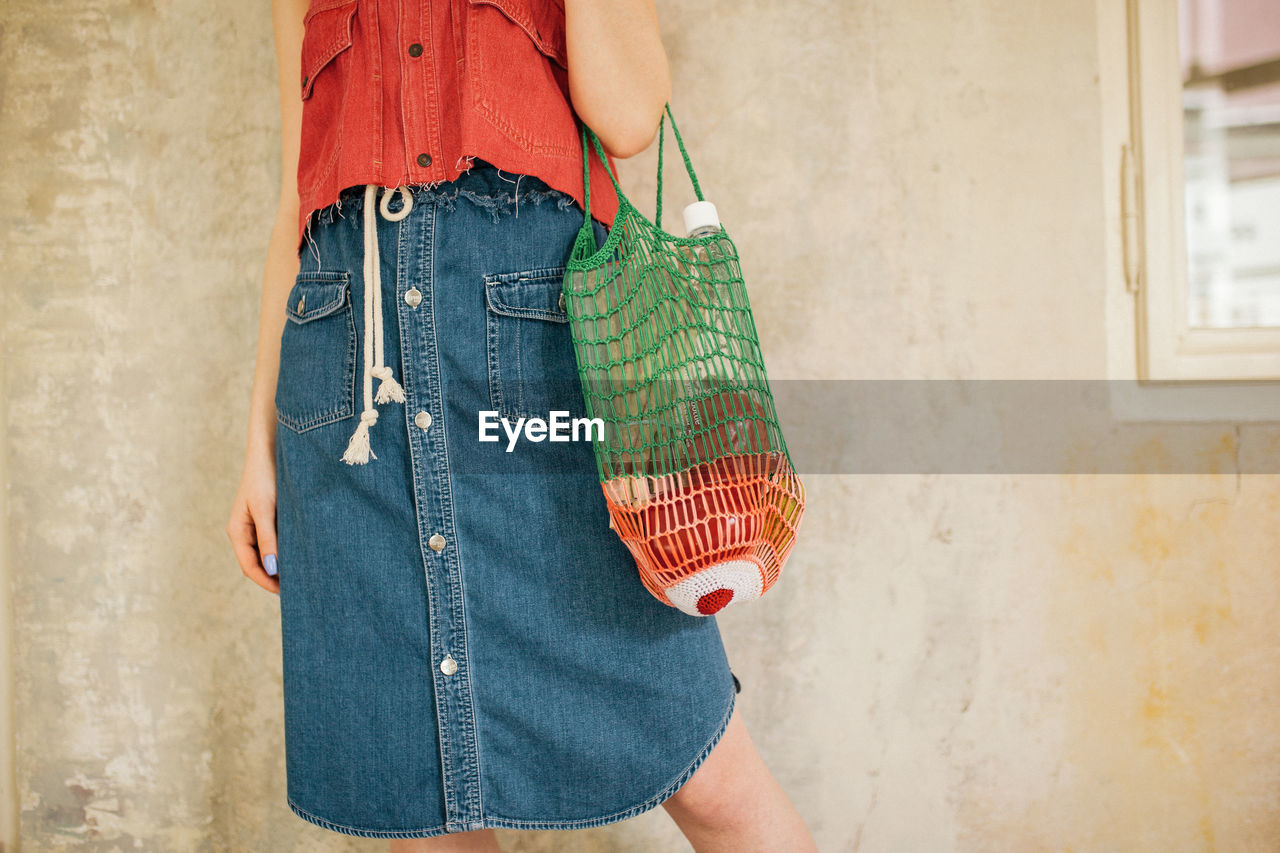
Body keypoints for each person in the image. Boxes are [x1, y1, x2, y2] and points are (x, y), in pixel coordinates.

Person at [225, 0, 817, 850]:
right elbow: (296, 198)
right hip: (347, 382)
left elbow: (631, 118)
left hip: (538, 354)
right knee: (421, 810)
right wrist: (258, 445)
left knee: (709, 769)